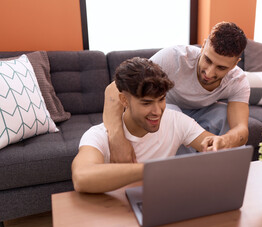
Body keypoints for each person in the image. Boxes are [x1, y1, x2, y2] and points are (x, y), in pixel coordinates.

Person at [72, 57, 228, 193]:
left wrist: (218, 145)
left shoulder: (175, 121)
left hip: (159, 204)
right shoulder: (98, 135)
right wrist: (154, 169)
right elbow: (81, 177)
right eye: (146, 103)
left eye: (161, 99)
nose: (157, 111)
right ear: (124, 100)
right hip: (115, 214)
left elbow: (215, 146)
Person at [104, 21, 249, 163]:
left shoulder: (238, 80)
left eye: (221, 68)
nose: (209, 73)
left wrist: (225, 140)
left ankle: (224, 170)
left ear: (235, 63)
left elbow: (241, 129)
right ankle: (177, 171)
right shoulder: (174, 58)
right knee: (171, 112)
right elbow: (113, 90)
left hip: (201, 116)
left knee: (222, 113)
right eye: (207, 60)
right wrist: (117, 139)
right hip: (168, 113)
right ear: (203, 45)